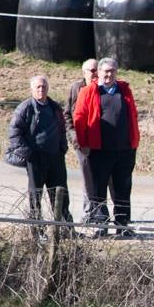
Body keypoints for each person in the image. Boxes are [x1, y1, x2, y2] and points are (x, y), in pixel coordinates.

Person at [72, 57, 139, 237]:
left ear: (116, 72)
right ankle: (101, 226)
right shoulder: (88, 92)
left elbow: (133, 115)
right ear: (99, 72)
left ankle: (122, 225)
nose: (108, 75)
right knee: (98, 189)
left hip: (124, 150)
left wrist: (134, 143)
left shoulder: (124, 91)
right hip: (99, 151)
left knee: (123, 189)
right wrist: (83, 144)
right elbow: (79, 118)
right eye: (105, 71)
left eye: (112, 71)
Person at [7, 74, 72, 230]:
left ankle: (65, 228)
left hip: (55, 157)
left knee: (60, 194)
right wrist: (28, 154)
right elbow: (14, 133)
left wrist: (62, 148)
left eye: (44, 86)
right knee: (35, 196)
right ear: (32, 89)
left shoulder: (55, 107)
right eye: (38, 87)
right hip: (35, 159)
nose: (41, 89)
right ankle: (37, 228)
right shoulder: (25, 108)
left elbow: (63, 129)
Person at [65, 58, 101, 223]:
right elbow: (67, 115)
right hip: (81, 142)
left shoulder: (103, 88)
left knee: (103, 178)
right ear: (84, 72)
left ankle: (103, 212)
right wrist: (74, 138)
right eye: (91, 70)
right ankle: (89, 213)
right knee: (87, 177)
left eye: (96, 70)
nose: (95, 73)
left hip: (101, 142)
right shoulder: (76, 88)